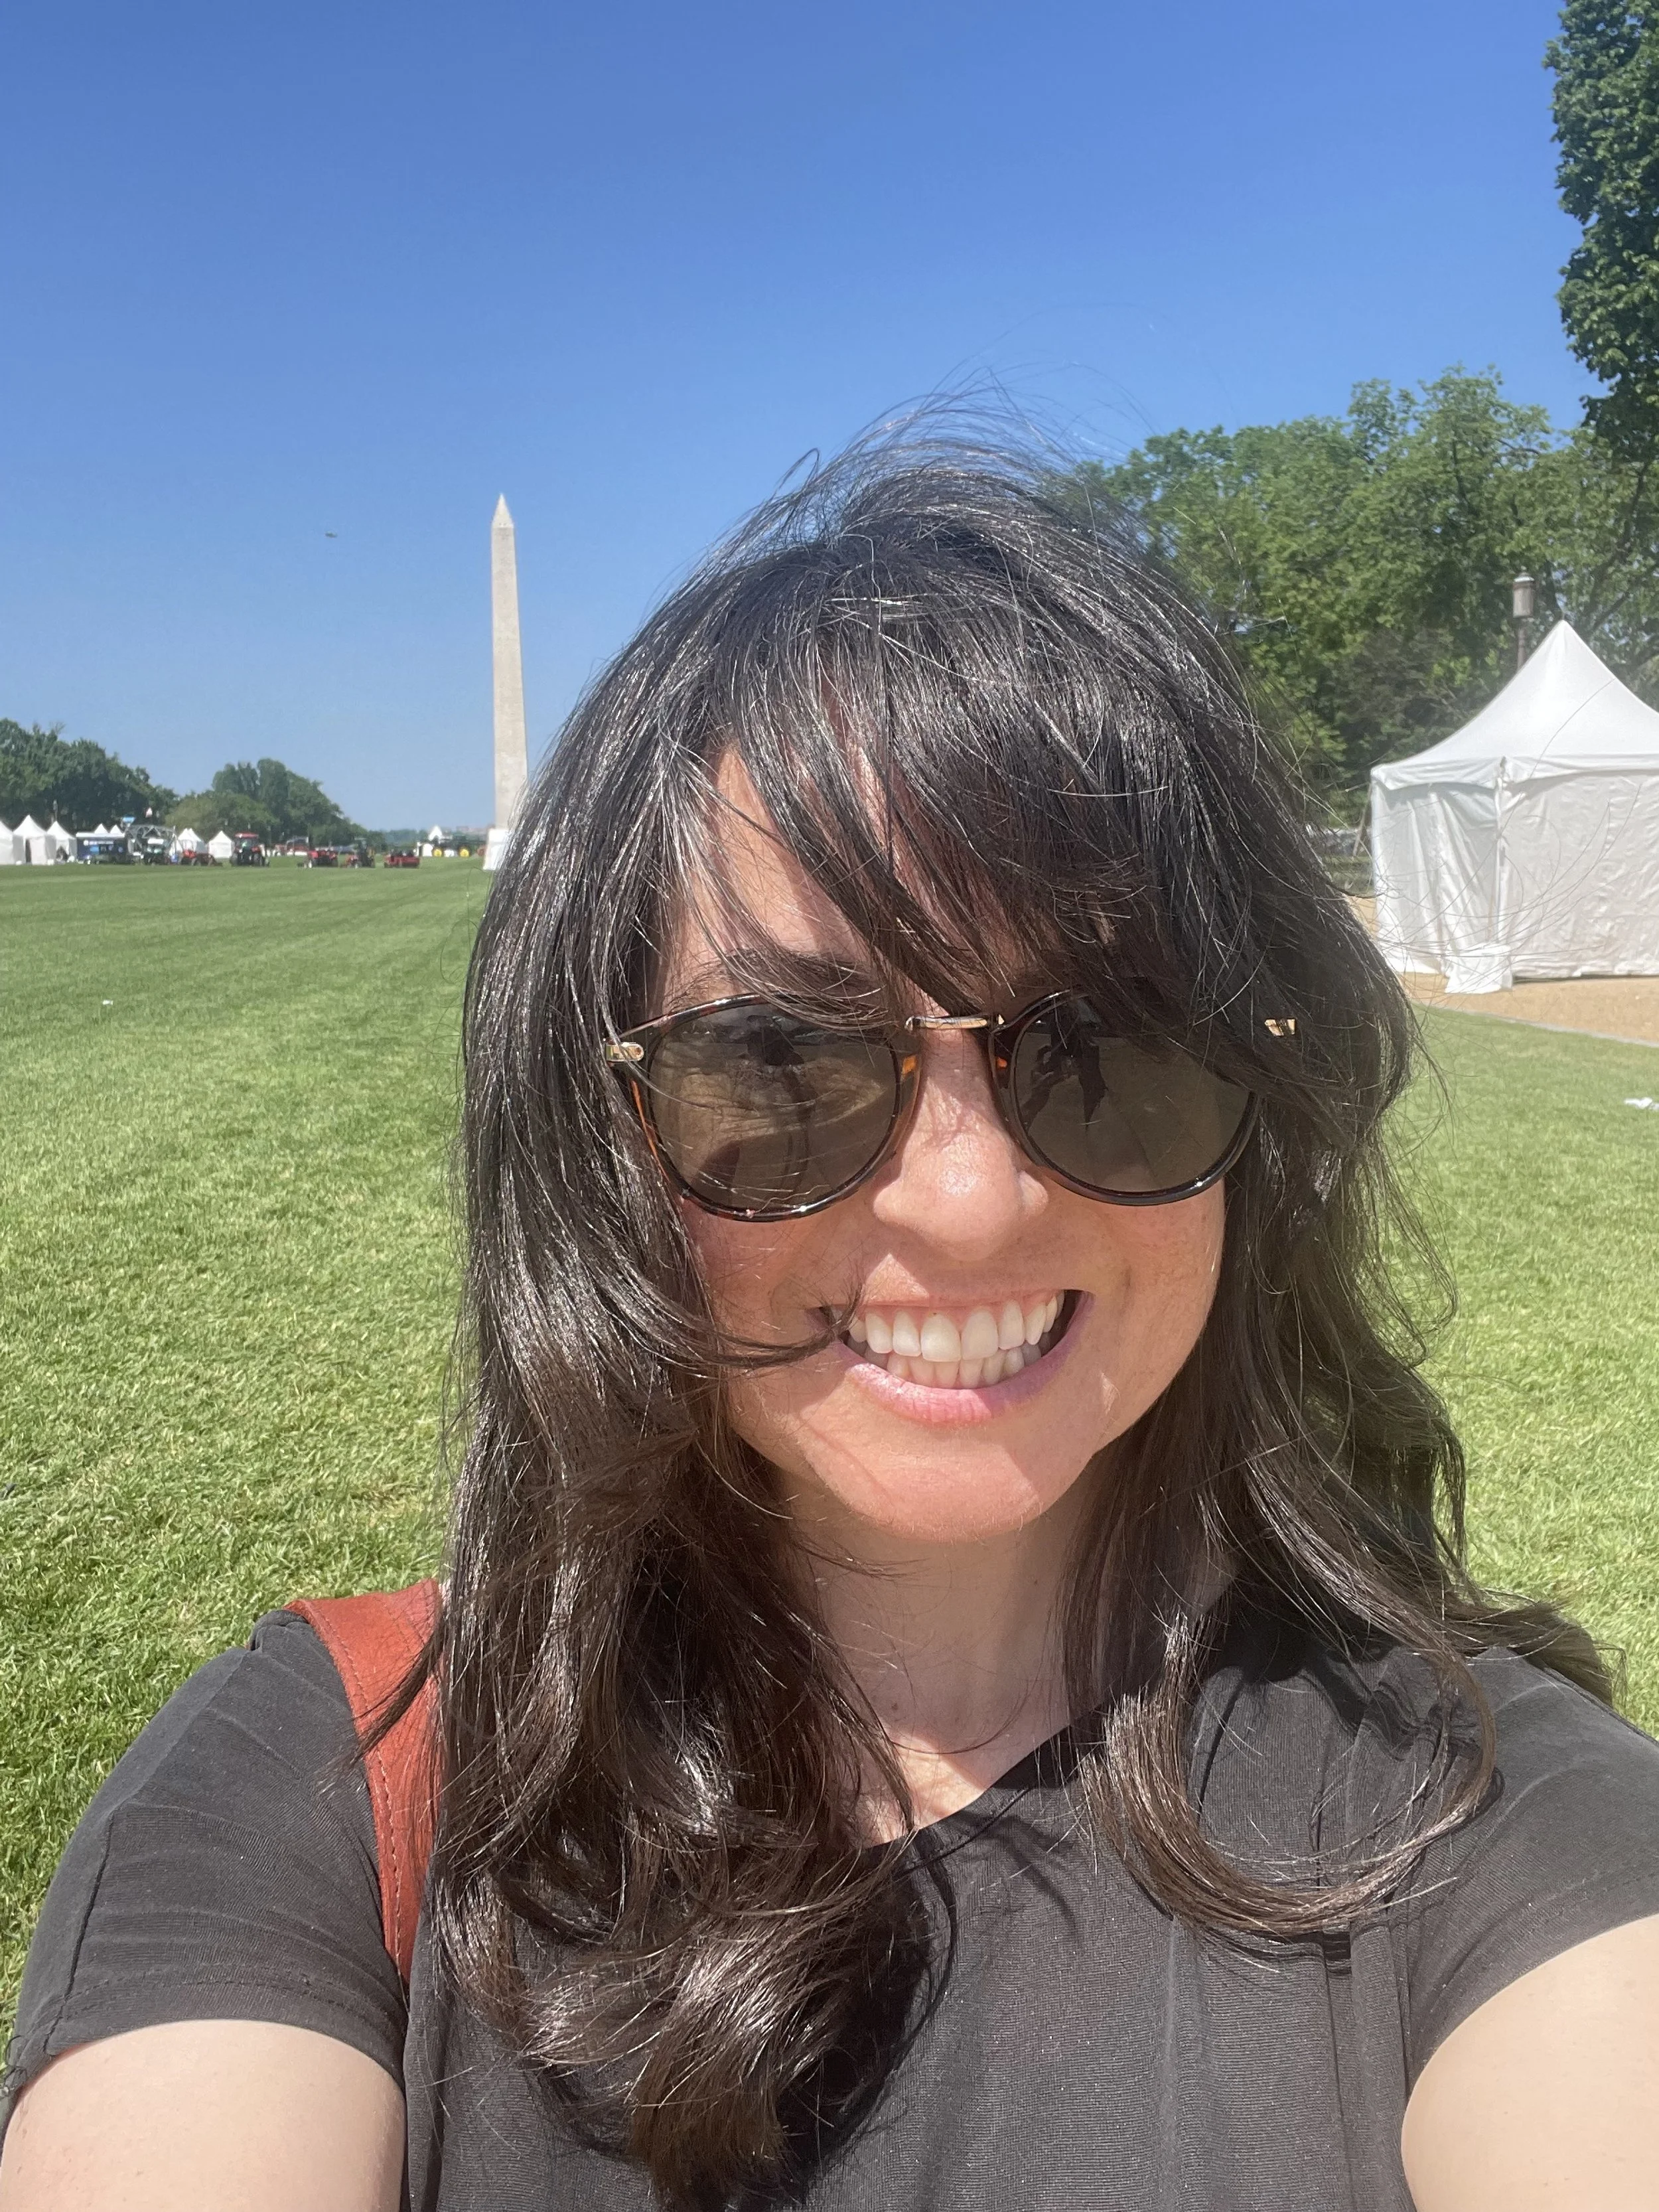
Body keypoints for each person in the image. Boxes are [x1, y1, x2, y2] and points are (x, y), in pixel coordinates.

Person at [3, 435, 1658, 2212]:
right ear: (603, 1131)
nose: (968, 1203)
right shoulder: (329, 1790)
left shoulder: (1479, 1810)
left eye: (1111, 1048)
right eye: (776, 1063)